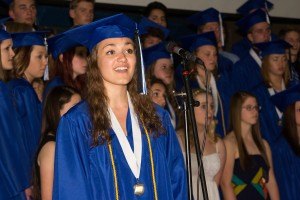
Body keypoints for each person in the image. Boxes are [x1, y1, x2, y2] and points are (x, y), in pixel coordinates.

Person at [53, 13, 187, 199]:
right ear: (94, 62)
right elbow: (72, 190)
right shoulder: (77, 123)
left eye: (129, 50)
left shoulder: (157, 117)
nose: (123, 58)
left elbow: (177, 181)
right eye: (111, 51)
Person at [251, 40, 300, 199]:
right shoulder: (258, 94)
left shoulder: (294, 88)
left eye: (284, 59)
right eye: (275, 59)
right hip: (273, 153)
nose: (281, 63)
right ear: (265, 61)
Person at [221, 91, 279, 200]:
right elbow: (225, 184)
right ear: (237, 111)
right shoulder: (229, 143)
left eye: (256, 107)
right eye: (249, 107)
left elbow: (271, 181)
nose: (255, 111)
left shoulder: (263, 144)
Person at [8, 31, 47, 179]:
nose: (45, 62)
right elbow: (31, 138)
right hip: (25, 172)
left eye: (45, 56)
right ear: (23, 56)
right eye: (39, 56)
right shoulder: (22, 90)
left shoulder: (20, 87)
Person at [177, 31, 232, 137]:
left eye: (215, 54)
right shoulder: (187, 84)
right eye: (207, 54)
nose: (212, 58)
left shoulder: (223, 82)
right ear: (194, 56)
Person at [32, 86, 81, 200]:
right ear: (57, 111)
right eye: (74, 108)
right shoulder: (51, 148)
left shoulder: (67, 139)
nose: (80, 113)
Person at [0, 23, 31, 200]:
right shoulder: (2, 91)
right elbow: (8, 144)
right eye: (7, 48)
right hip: (9, 182)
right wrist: (23, 184)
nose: (13, 53)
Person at [177, 89, 226, 200]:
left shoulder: (218, 143)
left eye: (212, 106)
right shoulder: (177, 139)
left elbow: (215, 184)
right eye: (204, 106)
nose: (210, 112)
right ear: (189, 109)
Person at [230, 9, 272, 93]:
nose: (266, 35)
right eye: (260, 31)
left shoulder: (276, 60)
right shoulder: (241, 67)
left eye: (267, 30)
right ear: (250, 37)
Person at [143, 42, 178, 128]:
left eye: (171, 67)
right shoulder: (145, 99)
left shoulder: (173, 98)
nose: (169, 71)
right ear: (151, 69)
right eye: (163, 67)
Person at [44, 32, 88, 98]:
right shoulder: (56, 88)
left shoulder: (81, 83)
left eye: (86, 54)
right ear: (62, 58)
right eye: (80, 54)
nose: (86, 59)